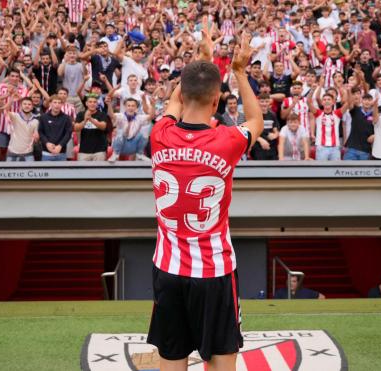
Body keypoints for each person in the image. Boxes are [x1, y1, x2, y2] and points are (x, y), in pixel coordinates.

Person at [147, 24, 263, 371]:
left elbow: (174, 99)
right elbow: (256, 118)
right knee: (222, 361)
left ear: (182, 95)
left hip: (167, 269)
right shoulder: (227, 141)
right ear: (217, 100)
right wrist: (239, 71)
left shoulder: (160, 134)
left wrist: (202, 58)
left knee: (171, 360)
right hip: (213, 272)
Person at [74, 94, 111, 161]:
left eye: (94, 102)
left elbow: (103, 126)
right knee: (82, 171)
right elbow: (76, 128)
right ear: (86, 103)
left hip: (100, 151)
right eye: (90, 102)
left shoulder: (102, 114)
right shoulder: (80, 114)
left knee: (99, 171)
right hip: (84, 150)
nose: (92, 104)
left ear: (97, 104)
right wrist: (85, 120)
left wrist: (91, 119)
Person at [38, 95, 73, 161]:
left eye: (59, 103)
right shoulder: (43, 117)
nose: (57, 105)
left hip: (61, 154)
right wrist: (47, 143)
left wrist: (60, 145)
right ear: (50, 104)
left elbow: (68, 134)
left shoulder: (67, 118)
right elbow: (40, 132)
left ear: (62, 104)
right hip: (46, 154)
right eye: (55, 102)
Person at [6, 97, 39, 162]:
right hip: (12, 152)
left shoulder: (36, 121)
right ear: (21, 106)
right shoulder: (15, 116)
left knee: (31, 172)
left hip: (28, 154)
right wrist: (11, 99)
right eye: (24, 104)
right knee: (9, 172)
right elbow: (6, 110)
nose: (27, 106)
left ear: (32, 107)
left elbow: (36, 139)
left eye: (29, 104)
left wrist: (37, 138)